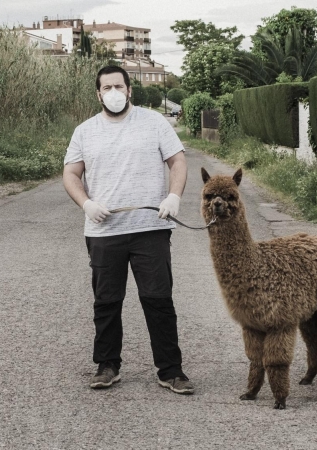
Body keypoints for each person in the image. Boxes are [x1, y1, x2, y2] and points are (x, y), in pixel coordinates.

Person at [62, 65, 194, 395]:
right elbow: (70, 174)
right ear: (98, 93)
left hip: (151, 227)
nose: (114, 93)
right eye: (106, 88)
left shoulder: (154, 122)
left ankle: (171, 370)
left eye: (118, 86)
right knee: (107, 301)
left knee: (158, 298)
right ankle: (107, 366)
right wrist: (86, 204)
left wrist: (174, 196)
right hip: (104, 232)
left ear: (129, 89)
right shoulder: (85, 131)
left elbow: (177, 161)